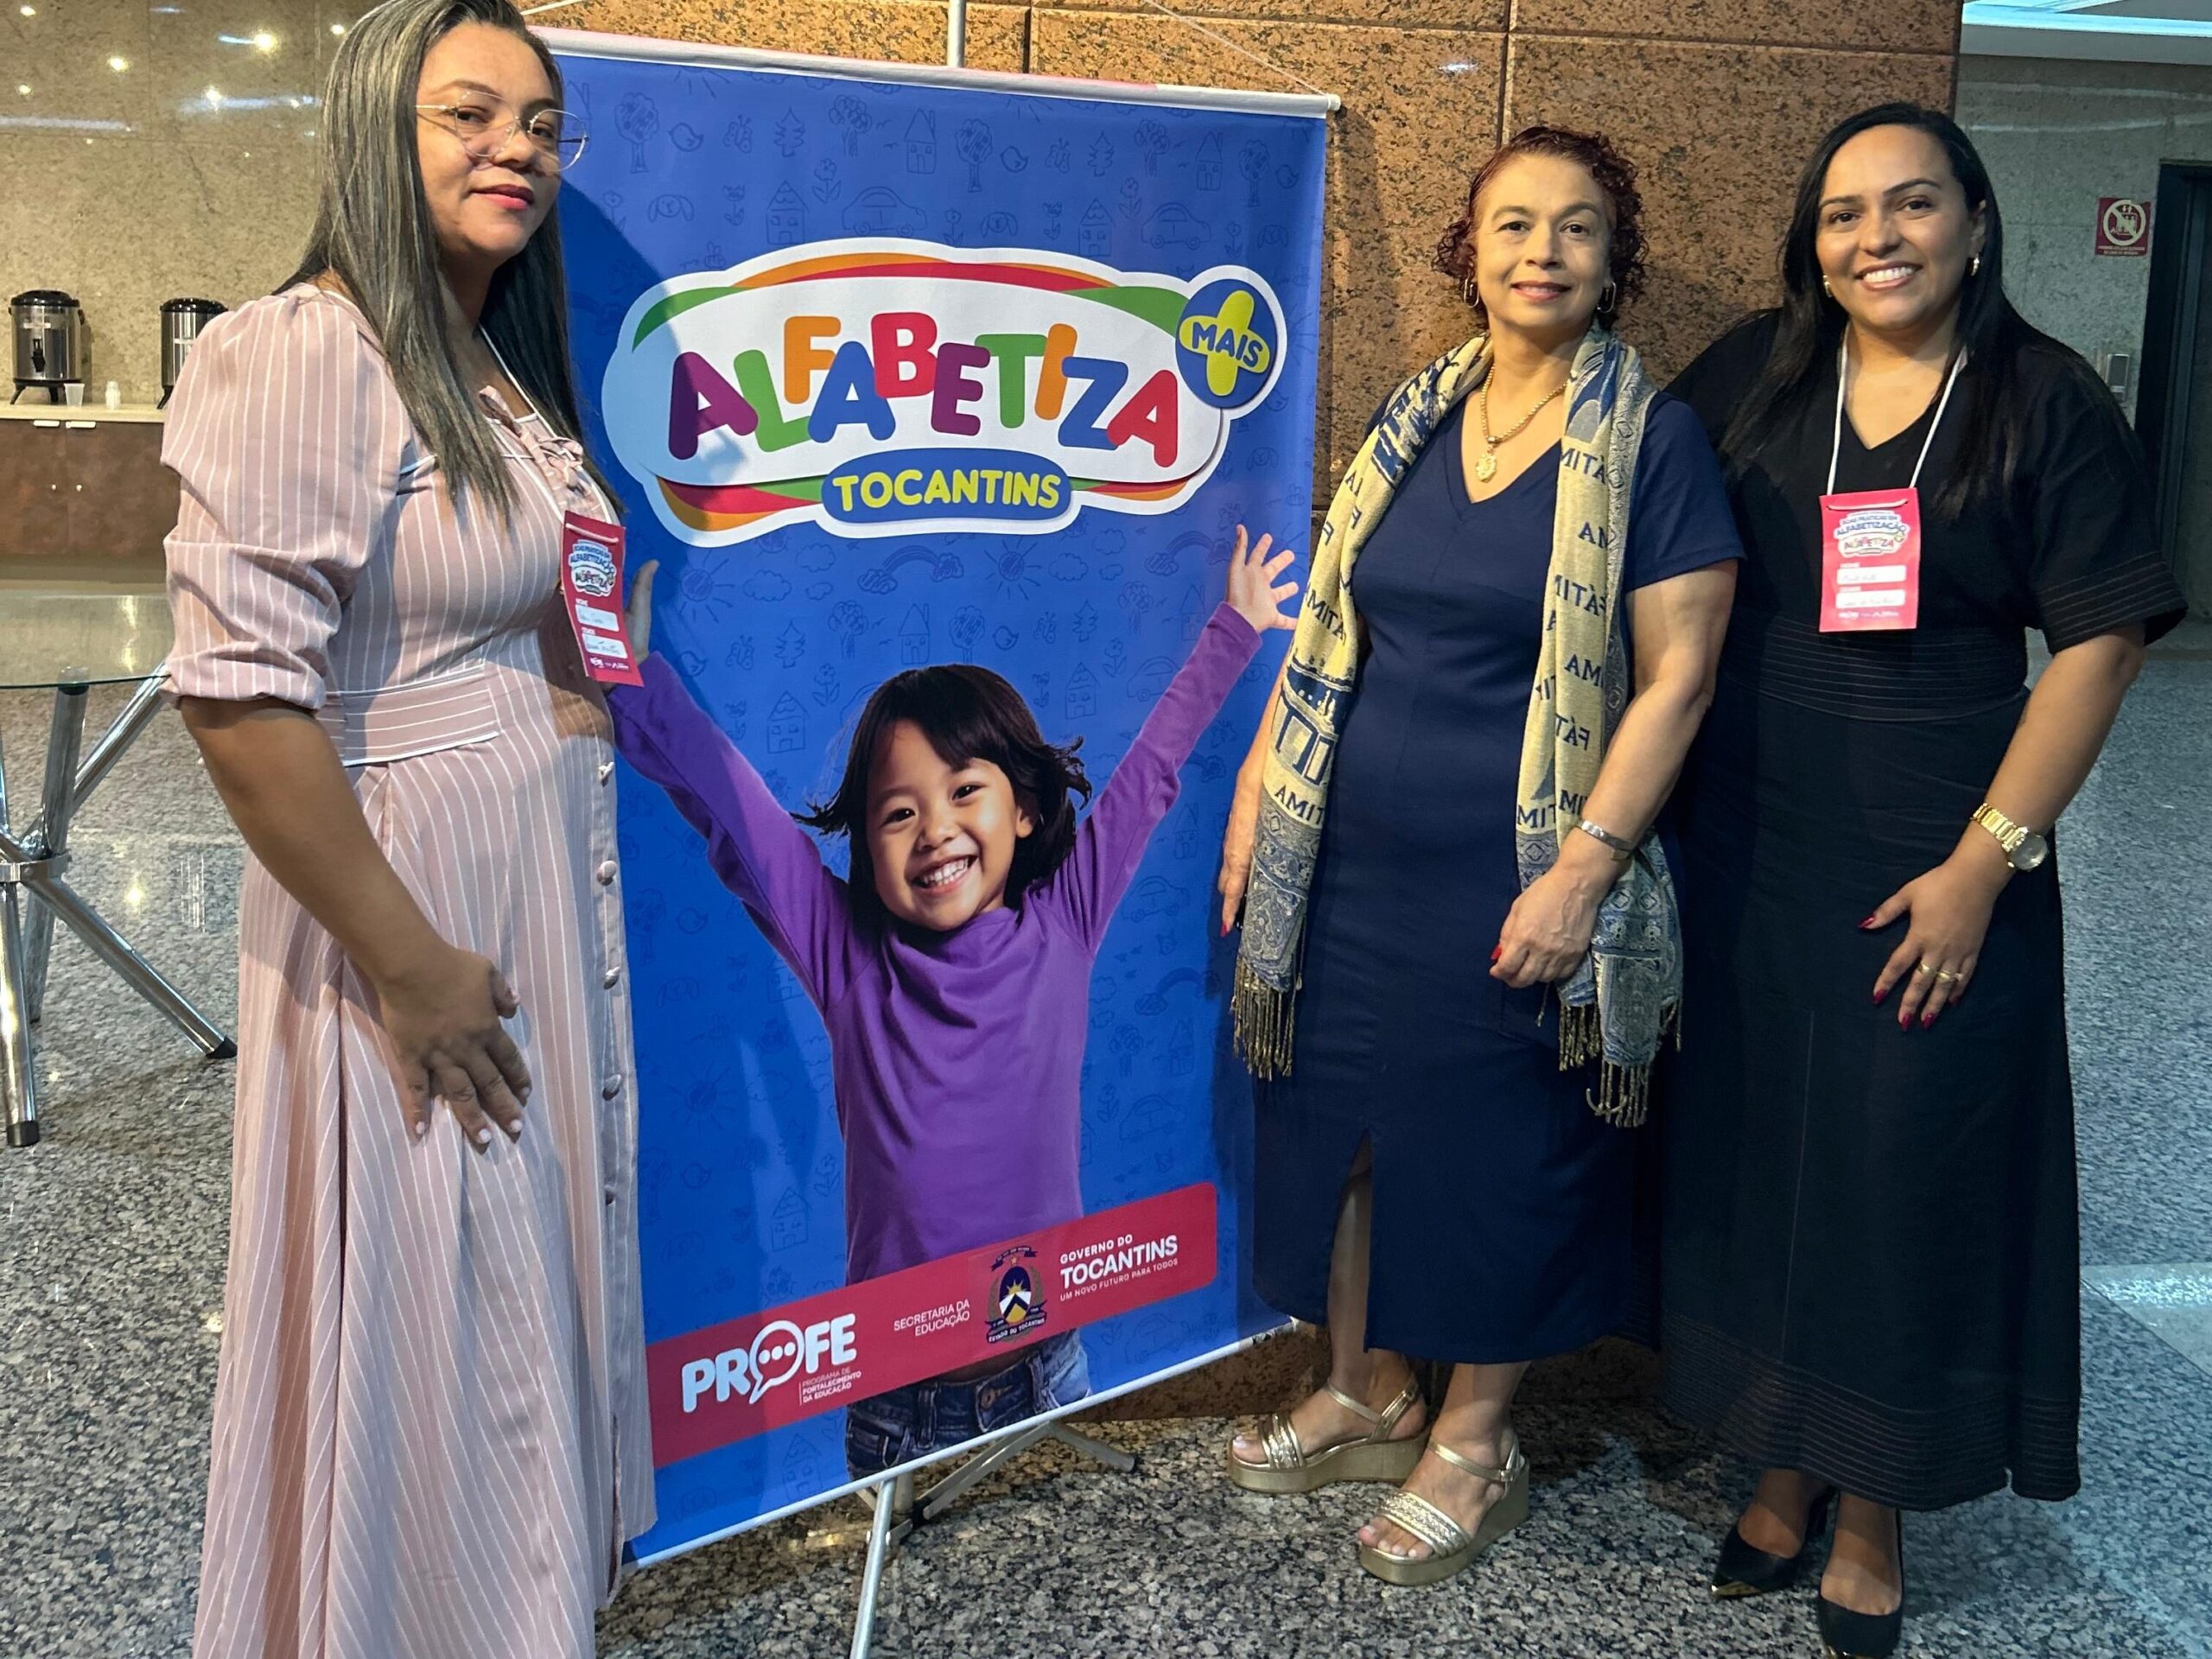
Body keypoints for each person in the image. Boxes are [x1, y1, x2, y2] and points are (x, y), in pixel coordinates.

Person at [1658, 103, 2185, 1659]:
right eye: (1843, 214)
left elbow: (2098, 646)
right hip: (1749, 829)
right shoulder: (1758, 373)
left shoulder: (2043, 396)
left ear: (1974, 221)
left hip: (1939, 835)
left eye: (1911, 205)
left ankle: (1875, 1504)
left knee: (1903, 1169)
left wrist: (1985, 864)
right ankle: (1783, 1459)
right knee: (1771, 1152)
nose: (1875, 239)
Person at [162, 3, 652, 1652]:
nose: (517, 148)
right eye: (469, 114)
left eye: (542, 123)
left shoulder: (484, 358)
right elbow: (239, 702)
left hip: (515, 886)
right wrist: (411, 965)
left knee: (490, 1294)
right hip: (411, 906)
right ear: (378, 129)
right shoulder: (307, 351)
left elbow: (511, 606)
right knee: (440, 1292)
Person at [1215, 125, 1742, 1586]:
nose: (1541, 252)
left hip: (1518, 871)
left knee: (1503, 1151)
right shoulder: (1418, 417)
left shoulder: (1651, 442)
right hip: (1348, 865)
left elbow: (1679, 678)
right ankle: (1364, 1388)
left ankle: (1473, 1440)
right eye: (1513, 223)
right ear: (1470, 248)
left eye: (1576, 227)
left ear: (1613, 260)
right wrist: (1259, 786)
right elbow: (1333, 632)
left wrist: (1585, 870)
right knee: (1347, 1132)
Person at [608, 528, 1298, 1477]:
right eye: (899, 812)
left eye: (965, 790)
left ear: (1023, 809)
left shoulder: (1064, 920)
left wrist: (1235, 628)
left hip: (1049, 1364)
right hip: (900, 1395)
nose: (935, 830)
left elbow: (1148, 776)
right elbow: (740, 825)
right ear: (865, 843)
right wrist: (636, 681)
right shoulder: (847, 956)